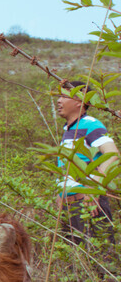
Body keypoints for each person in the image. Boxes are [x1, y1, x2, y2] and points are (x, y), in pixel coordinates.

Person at [56, 80, 119, 249]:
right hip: (70, 206)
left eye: (63, 96)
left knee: (103, 260)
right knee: (76, 263)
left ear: (79, 102)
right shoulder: (69, 130)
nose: (58, 101)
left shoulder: (91, 124)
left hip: (89, 204)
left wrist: (95, 188)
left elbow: (112, 154)